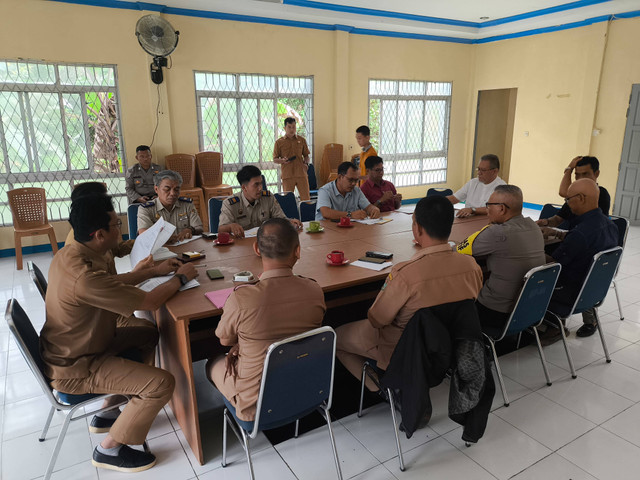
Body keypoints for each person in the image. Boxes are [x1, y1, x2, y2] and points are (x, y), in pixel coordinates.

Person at [40, 194, 198, 473]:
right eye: (115, 224)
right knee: (161, 384)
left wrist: (151, 271)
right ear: (99, 234)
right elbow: (149, 302)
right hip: (78, 367)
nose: (120, 227)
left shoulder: (73, 253)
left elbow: (109, 283)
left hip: (80, 346)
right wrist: (180, 277)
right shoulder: (83, 277)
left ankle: (112, 407)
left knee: (147, 332)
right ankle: (109, 448)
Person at [336, 195, 483, 390]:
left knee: (336, 337)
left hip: (404, 350)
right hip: (450, 345)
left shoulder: (406, 273)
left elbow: (377, 320)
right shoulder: (471, 266)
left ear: (418, 228)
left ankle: (383, 389)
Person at [206, 218, 325, 421]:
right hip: (307, 391)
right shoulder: (315, 291)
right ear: (298, 251)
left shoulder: (241, 299)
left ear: (256, 249)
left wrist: (244, 343)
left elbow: (225, 341)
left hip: (256, 406)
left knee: (212, 363)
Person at [456, 185, 546, 329]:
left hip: (495, 311)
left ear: (502, 209)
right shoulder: (533, 226)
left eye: (489, 205)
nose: (486, 210)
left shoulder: (497, 233)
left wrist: (488, 227)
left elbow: (459, 251)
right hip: (528, 308)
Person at [541, 178, 618, 343]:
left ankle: (554, 326)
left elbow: (552, 264)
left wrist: (529, 248)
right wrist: (560, 234)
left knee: (525, 277)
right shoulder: (610, 225)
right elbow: (586, 244)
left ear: (581, 198)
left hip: (570, 293)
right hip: (592, 292)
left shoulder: (580, 234)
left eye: (568, 199)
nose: (567, 203)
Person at [218, 165, 302, 238]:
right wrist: (231, 226)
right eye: (256, 184)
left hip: (267, 243)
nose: (260, 188)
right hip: (241, 245)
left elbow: (280, 219)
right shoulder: (230, 203)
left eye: (261, 183)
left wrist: (289, 222)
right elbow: (221, 229)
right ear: (244, 187)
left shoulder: (268, 198)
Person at [536, 155, 610, 229]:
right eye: (577, 175)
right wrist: (546, 222)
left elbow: (564, 192)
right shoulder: (574, 197)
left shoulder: (601, 194)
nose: (580, 178)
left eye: (585, 174)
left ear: (596, 174)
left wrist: (569, 168)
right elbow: (558, 219)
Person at [137, 170, 203, 242]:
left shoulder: (187, 205)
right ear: (156, 189)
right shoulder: (146, 209)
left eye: (176, 189)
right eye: (167, 189)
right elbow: (143, 234)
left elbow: (199, 227)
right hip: (159, 250)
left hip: (184, 249)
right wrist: (163, 238)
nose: (172, 193)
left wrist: (190, 230)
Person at [316, 161, 381, 220]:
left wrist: (374, 209)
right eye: (350, 180)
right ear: (339, 177)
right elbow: (326, 213)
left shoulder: (356, 190)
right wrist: (351, 214)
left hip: (347, 229)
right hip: (327, 229)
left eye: (356, 180)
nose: (353, 183)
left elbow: (368, 207)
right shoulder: (325, 191)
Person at [273, 117, 311, 200]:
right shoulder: (279, 142)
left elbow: (306, 156)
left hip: (301, 174)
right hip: (287, 175)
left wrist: (306, 163)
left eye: (293, 127)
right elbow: (275, 159)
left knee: (306, 199)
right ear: (284, 128)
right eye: (289, 127)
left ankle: (306, 213)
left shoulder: (302, 140)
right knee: (288, 200)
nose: (292, 129)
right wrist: (282, 160)